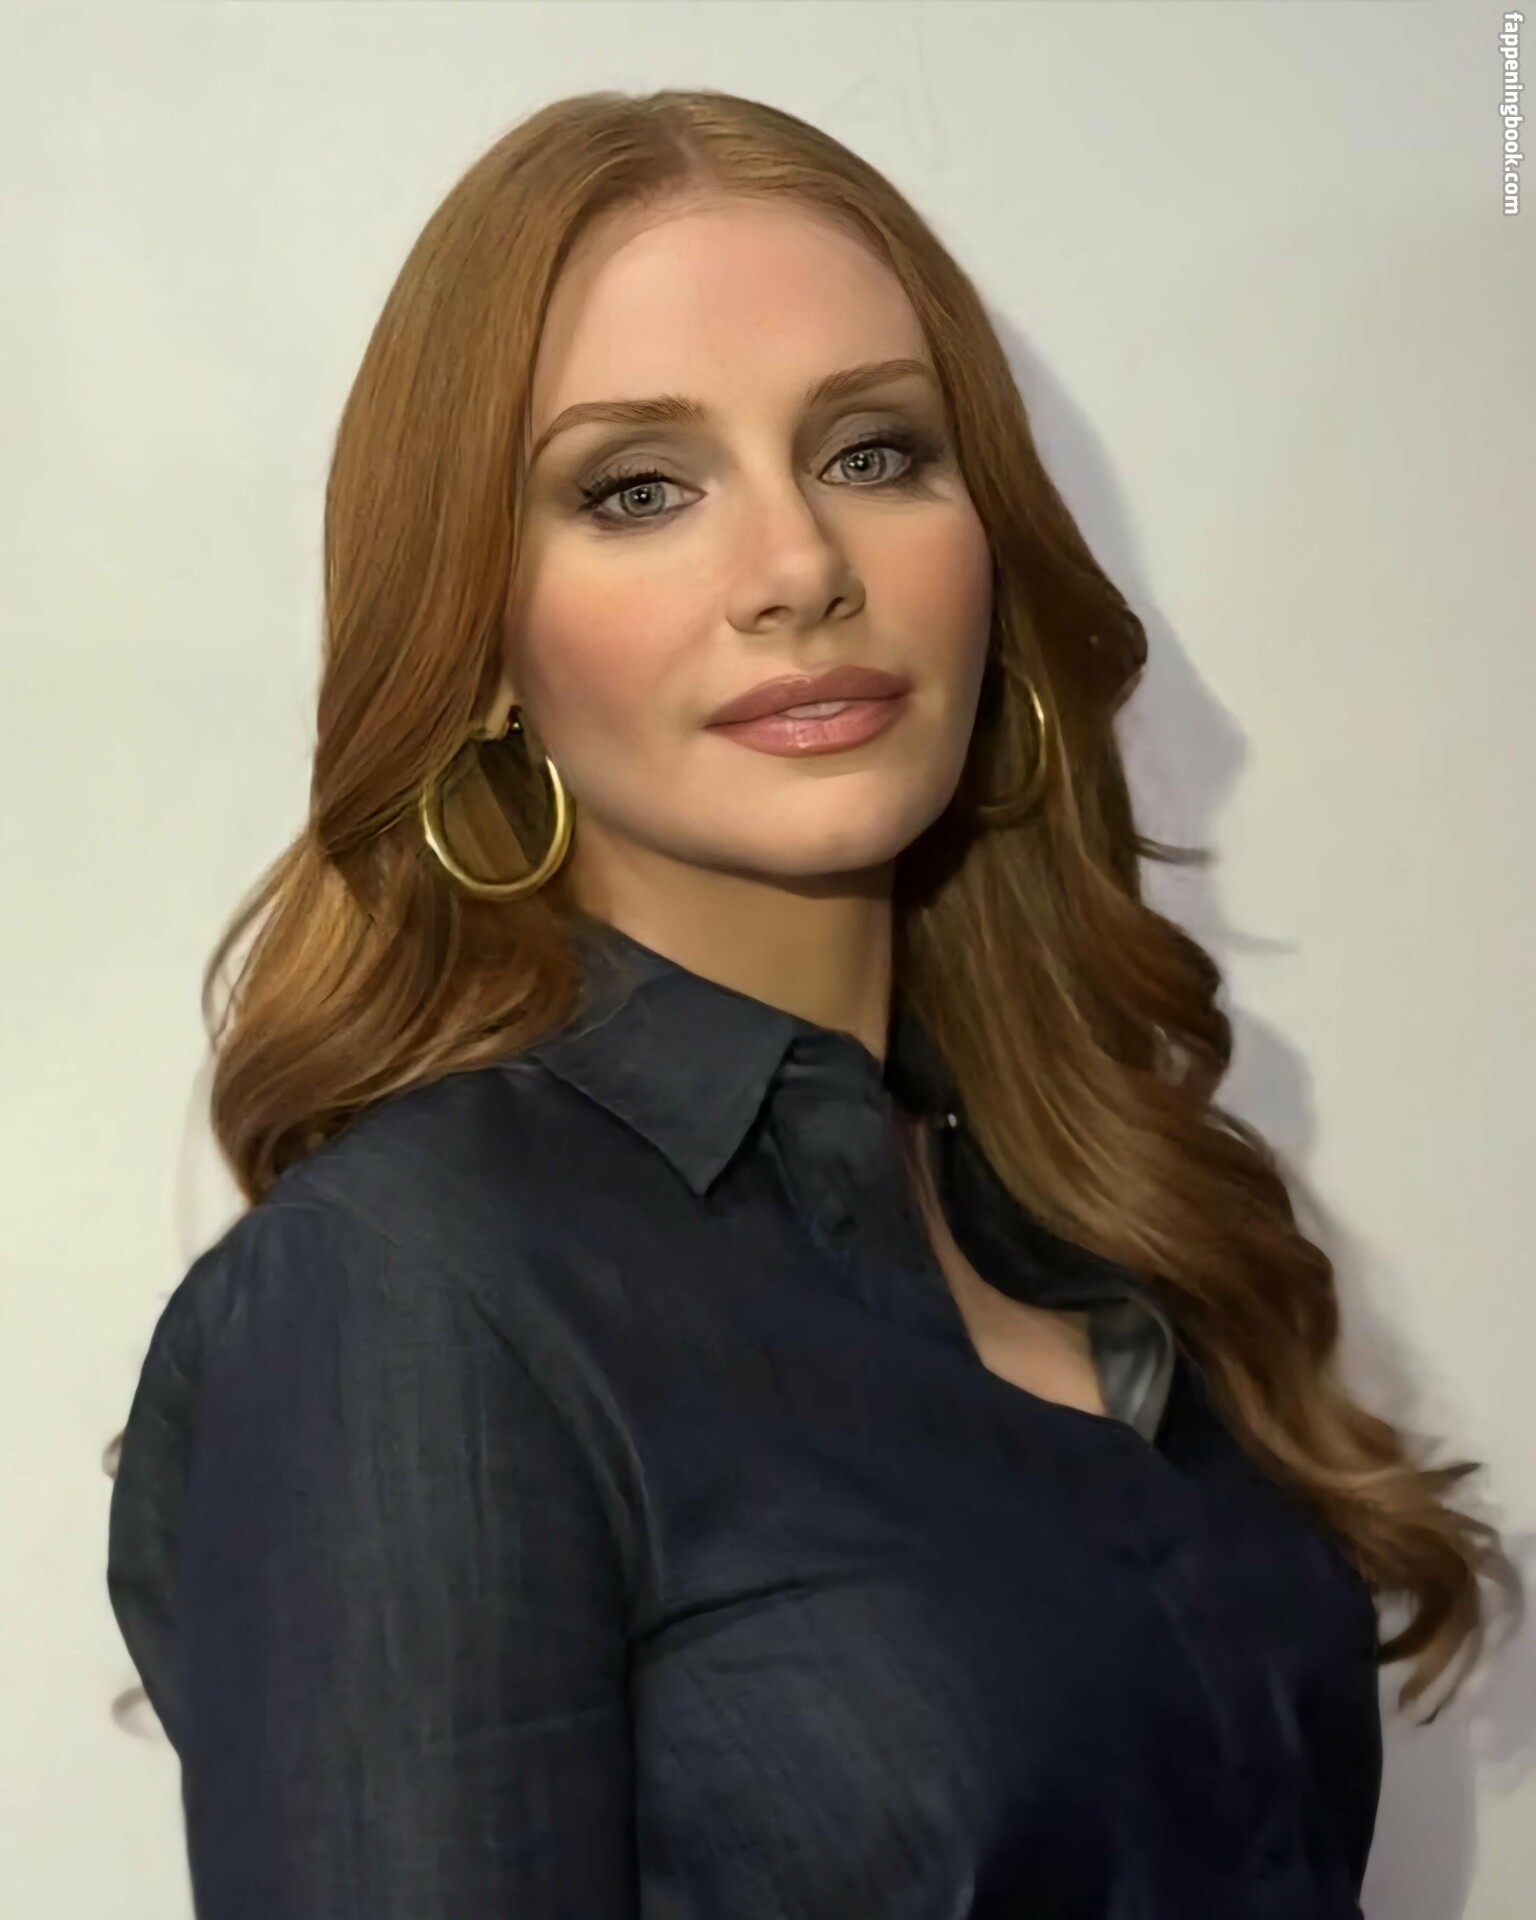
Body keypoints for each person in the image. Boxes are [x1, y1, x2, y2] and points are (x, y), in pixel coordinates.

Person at [105, 88, 1513, 1919]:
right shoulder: (409, 1297)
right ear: (483, 643)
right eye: (638, 489)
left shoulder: (1095, 1222)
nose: (798, 568)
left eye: (873, 452)